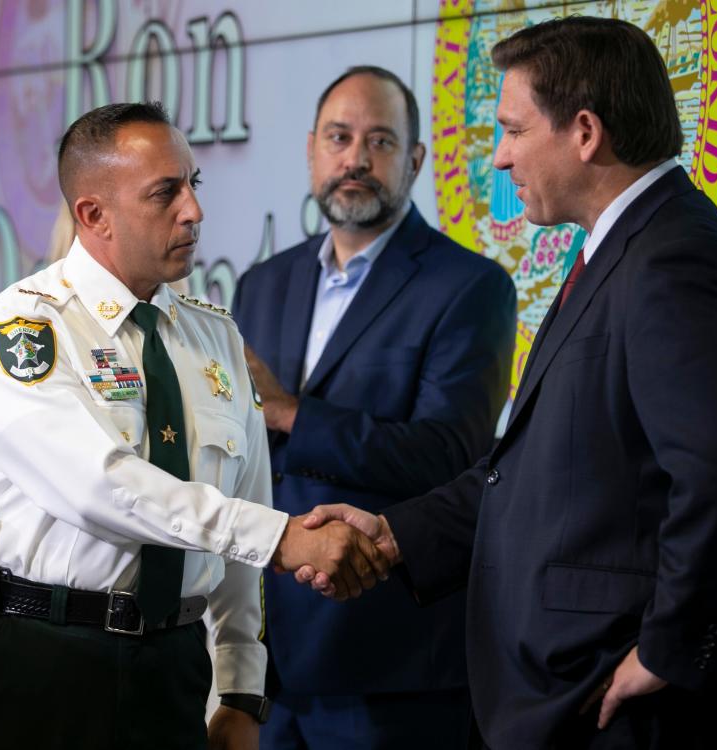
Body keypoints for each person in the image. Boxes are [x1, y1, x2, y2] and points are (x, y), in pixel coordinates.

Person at [300, 18, 717, 749]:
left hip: (646, 710)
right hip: (583, 696)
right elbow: (535, 469)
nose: (501, 158)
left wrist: (669, 650)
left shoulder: (681, 262)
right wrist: (392, 536)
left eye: (512, 130)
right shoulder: (621, 250)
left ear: (584, 132)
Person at [0, 101, 388, 750]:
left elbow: (244, 510)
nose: (194, 211)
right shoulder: (21, 335)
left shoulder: (216, 337)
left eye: (193, 184)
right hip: (42, 664)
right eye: (165, 193)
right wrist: (281, 537)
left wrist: (241, 688)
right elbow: (102, 487)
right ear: (93, 215)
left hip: (173, 668)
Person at [233, 66, 516, 749]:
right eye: (339, 137)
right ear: (311, 151)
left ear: (415, 161)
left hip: (393, 669)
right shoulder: (261, 284)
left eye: (381, 141)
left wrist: (291, 414)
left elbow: (450, 456)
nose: (355, 158)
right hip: (268, 662)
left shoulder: (471, 287)